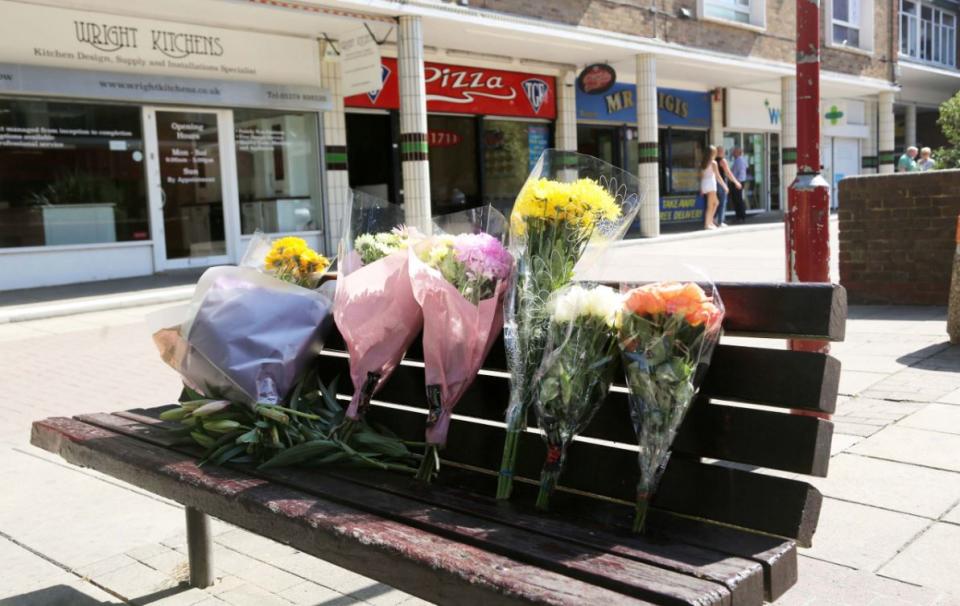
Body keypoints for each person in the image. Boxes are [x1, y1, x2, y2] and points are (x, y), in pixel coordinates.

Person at [701, 145, 727, 230]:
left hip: (705, 184)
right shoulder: (713, 163)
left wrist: (701, 188)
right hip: (711, 184)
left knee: (716, 203)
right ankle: (707, 224)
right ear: (713, 153)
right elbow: (718, 176)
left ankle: (710, 221)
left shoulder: (703, 162)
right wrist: (724, 186)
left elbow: (701, 176)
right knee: (710, 206)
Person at [715, 146, 741, 227]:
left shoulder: (713, 161)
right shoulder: (723, 161)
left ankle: (713, 219)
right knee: (722, 202)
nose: (725, 153)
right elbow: (728, 173)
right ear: (721, 152)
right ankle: (720, 221)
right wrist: (736, 182)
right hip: (721, 183)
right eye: (724, 151)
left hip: (714, 183)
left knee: (715, 203)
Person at [730, 147, 748, 222]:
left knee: (737, 200)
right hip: (740, 181)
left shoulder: (739, 160)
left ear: (738, 152)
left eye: (734, 152)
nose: (732, 153)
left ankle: (740, 216)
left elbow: (738, 172)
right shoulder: (741, 160)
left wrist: (737, 182)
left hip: (738, 182)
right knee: (737, 199)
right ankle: (740, 216)